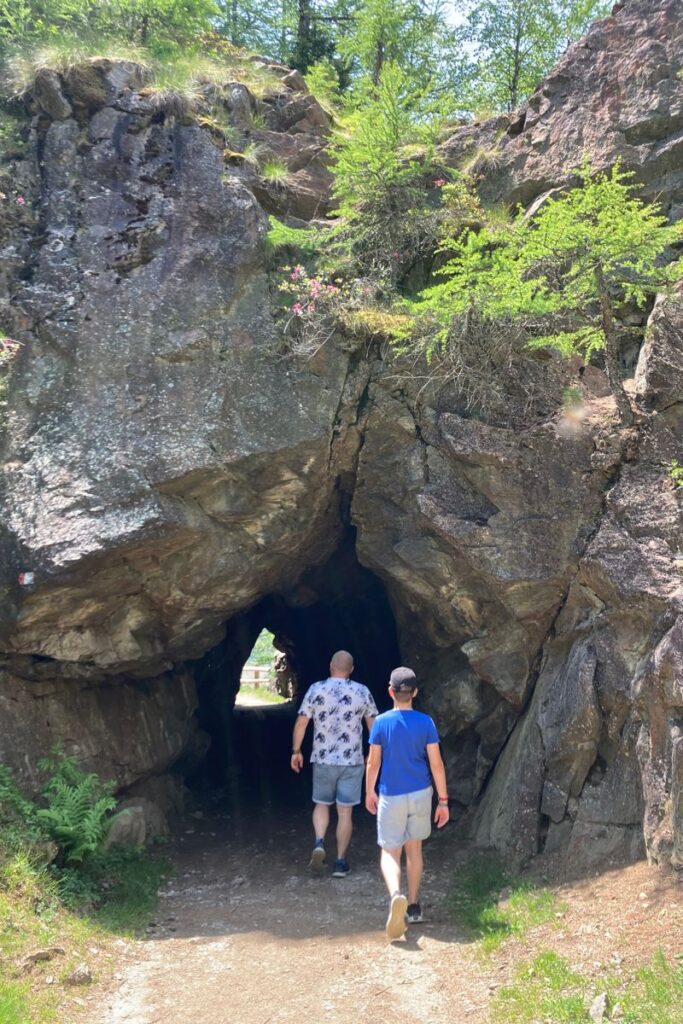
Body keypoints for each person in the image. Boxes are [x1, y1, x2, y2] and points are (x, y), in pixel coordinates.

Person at [365, 666, 449, 940]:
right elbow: (436, 764)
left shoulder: (381, 723)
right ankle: (413, 907)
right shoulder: (426, 723)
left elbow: (373, 762)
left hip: (392, 794)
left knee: (390, 851)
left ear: (390, 692)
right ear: (415, 692)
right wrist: (443, 801)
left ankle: (395, 895)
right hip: (422, 793)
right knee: (415, 849)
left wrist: (369, 792)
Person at [290, 650, 378, 877]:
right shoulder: (361, 691)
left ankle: (319, 842)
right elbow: (374, 726)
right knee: (345, 813)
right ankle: (340, 862)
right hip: (352, 761)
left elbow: (302, 722)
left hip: (322, 758)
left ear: (331, 665)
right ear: (351, 670)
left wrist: (296, 751)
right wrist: (373, 753)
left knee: (321, 804)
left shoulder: (316, 689)